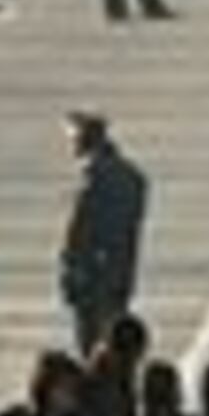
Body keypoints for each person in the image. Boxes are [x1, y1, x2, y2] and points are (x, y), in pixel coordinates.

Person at [59, 112, 147, 356]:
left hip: (94, 277)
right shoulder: (132, 176)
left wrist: (72, 271)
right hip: (121, 270)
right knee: (116, 342)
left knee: (93, 347)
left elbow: (80, 233)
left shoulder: (95, 178)